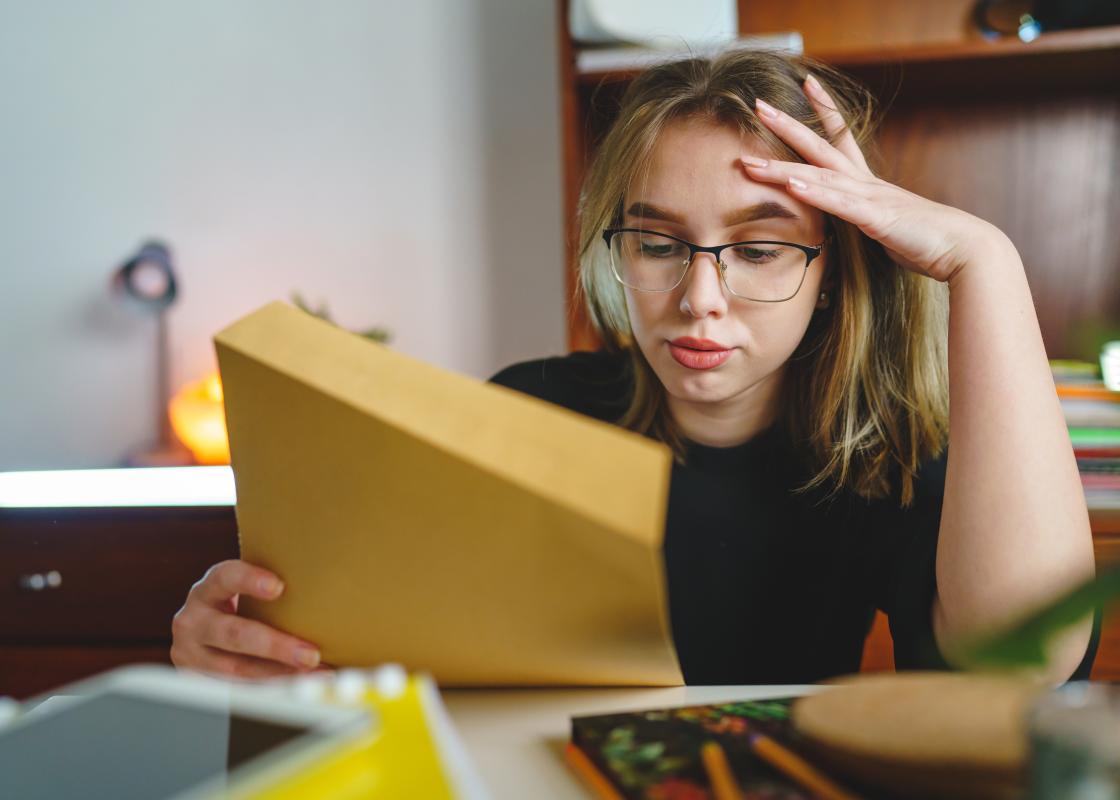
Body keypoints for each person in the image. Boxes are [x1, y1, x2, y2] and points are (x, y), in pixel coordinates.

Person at [170, 50, 1098, 684]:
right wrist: (241, 641)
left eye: (760, 250)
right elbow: (385, 659)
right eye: (658, 242)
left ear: (833, 274)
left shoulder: (884, 453)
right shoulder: (524, 415)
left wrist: (985, 259)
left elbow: (1026, 663)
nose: (699, 299)